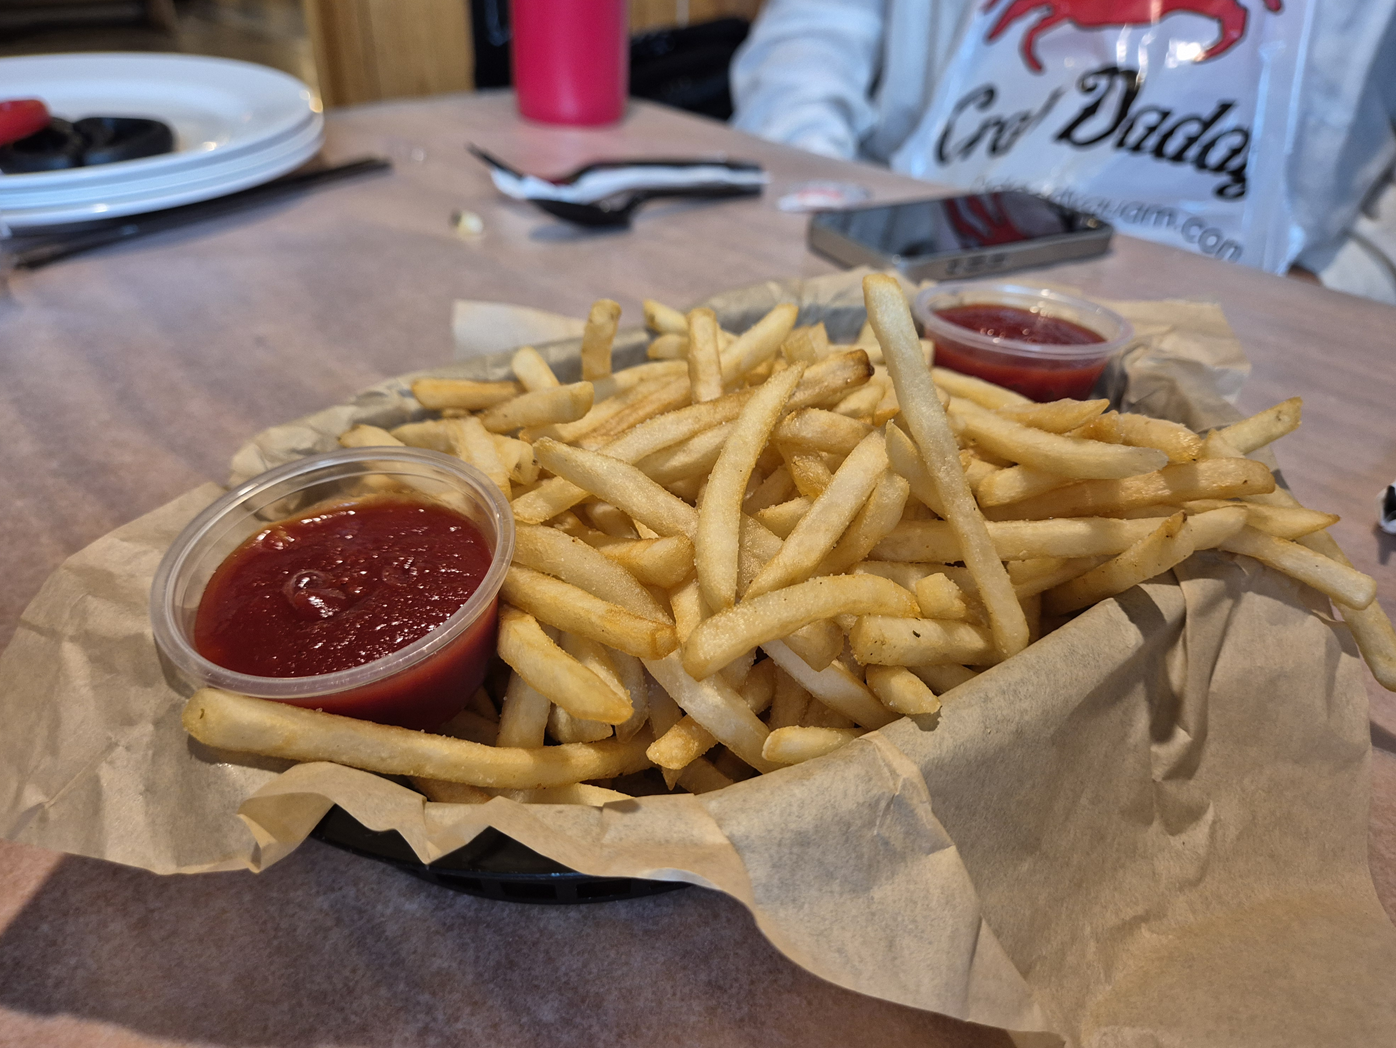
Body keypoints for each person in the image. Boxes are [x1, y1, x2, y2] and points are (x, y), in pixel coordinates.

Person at [731, 0, 1396, 301]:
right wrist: (822, 184)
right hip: (920, 248)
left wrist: (1348, 280)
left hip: (1248, 306)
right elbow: (810, 42)